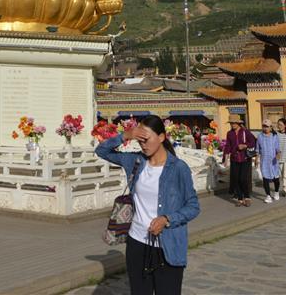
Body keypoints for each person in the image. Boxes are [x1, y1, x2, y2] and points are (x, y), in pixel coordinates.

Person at [96, 115, 200, 295]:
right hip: (137, 243)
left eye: (147, 139)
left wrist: (167, 219)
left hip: (167, 246)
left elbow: (193, 206)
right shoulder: (135, 161)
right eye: (140, 140)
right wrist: (126, 135)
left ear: (161, 137)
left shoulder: (178, 168)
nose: (143, 145)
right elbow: (102, 151)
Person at [222, 114, 256, 207]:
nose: (232, 124)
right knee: (236, 179)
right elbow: (227, 146)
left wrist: (245, 145)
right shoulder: (229, 133)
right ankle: (240, 198)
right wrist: (225, 158)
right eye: (231, 123)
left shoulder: (245, 132)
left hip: (245, 158)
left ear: (238, 123)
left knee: (243, 179)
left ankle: (247, 197)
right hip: (234, 159)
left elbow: (253, 142)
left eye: (234, 123)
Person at [256, 119, 281, 203]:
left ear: (271, 127)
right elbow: (258, 149)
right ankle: (268, 196)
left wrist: (278, 154)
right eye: (263, 126)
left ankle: (276, 192)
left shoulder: (275, 136)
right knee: (265, 178)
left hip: (273, 161)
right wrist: (256, 158)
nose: (265, 128)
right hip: (264, 162)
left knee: (276, 179)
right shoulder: (259, 136)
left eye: (267, 127)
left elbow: (277, 148)